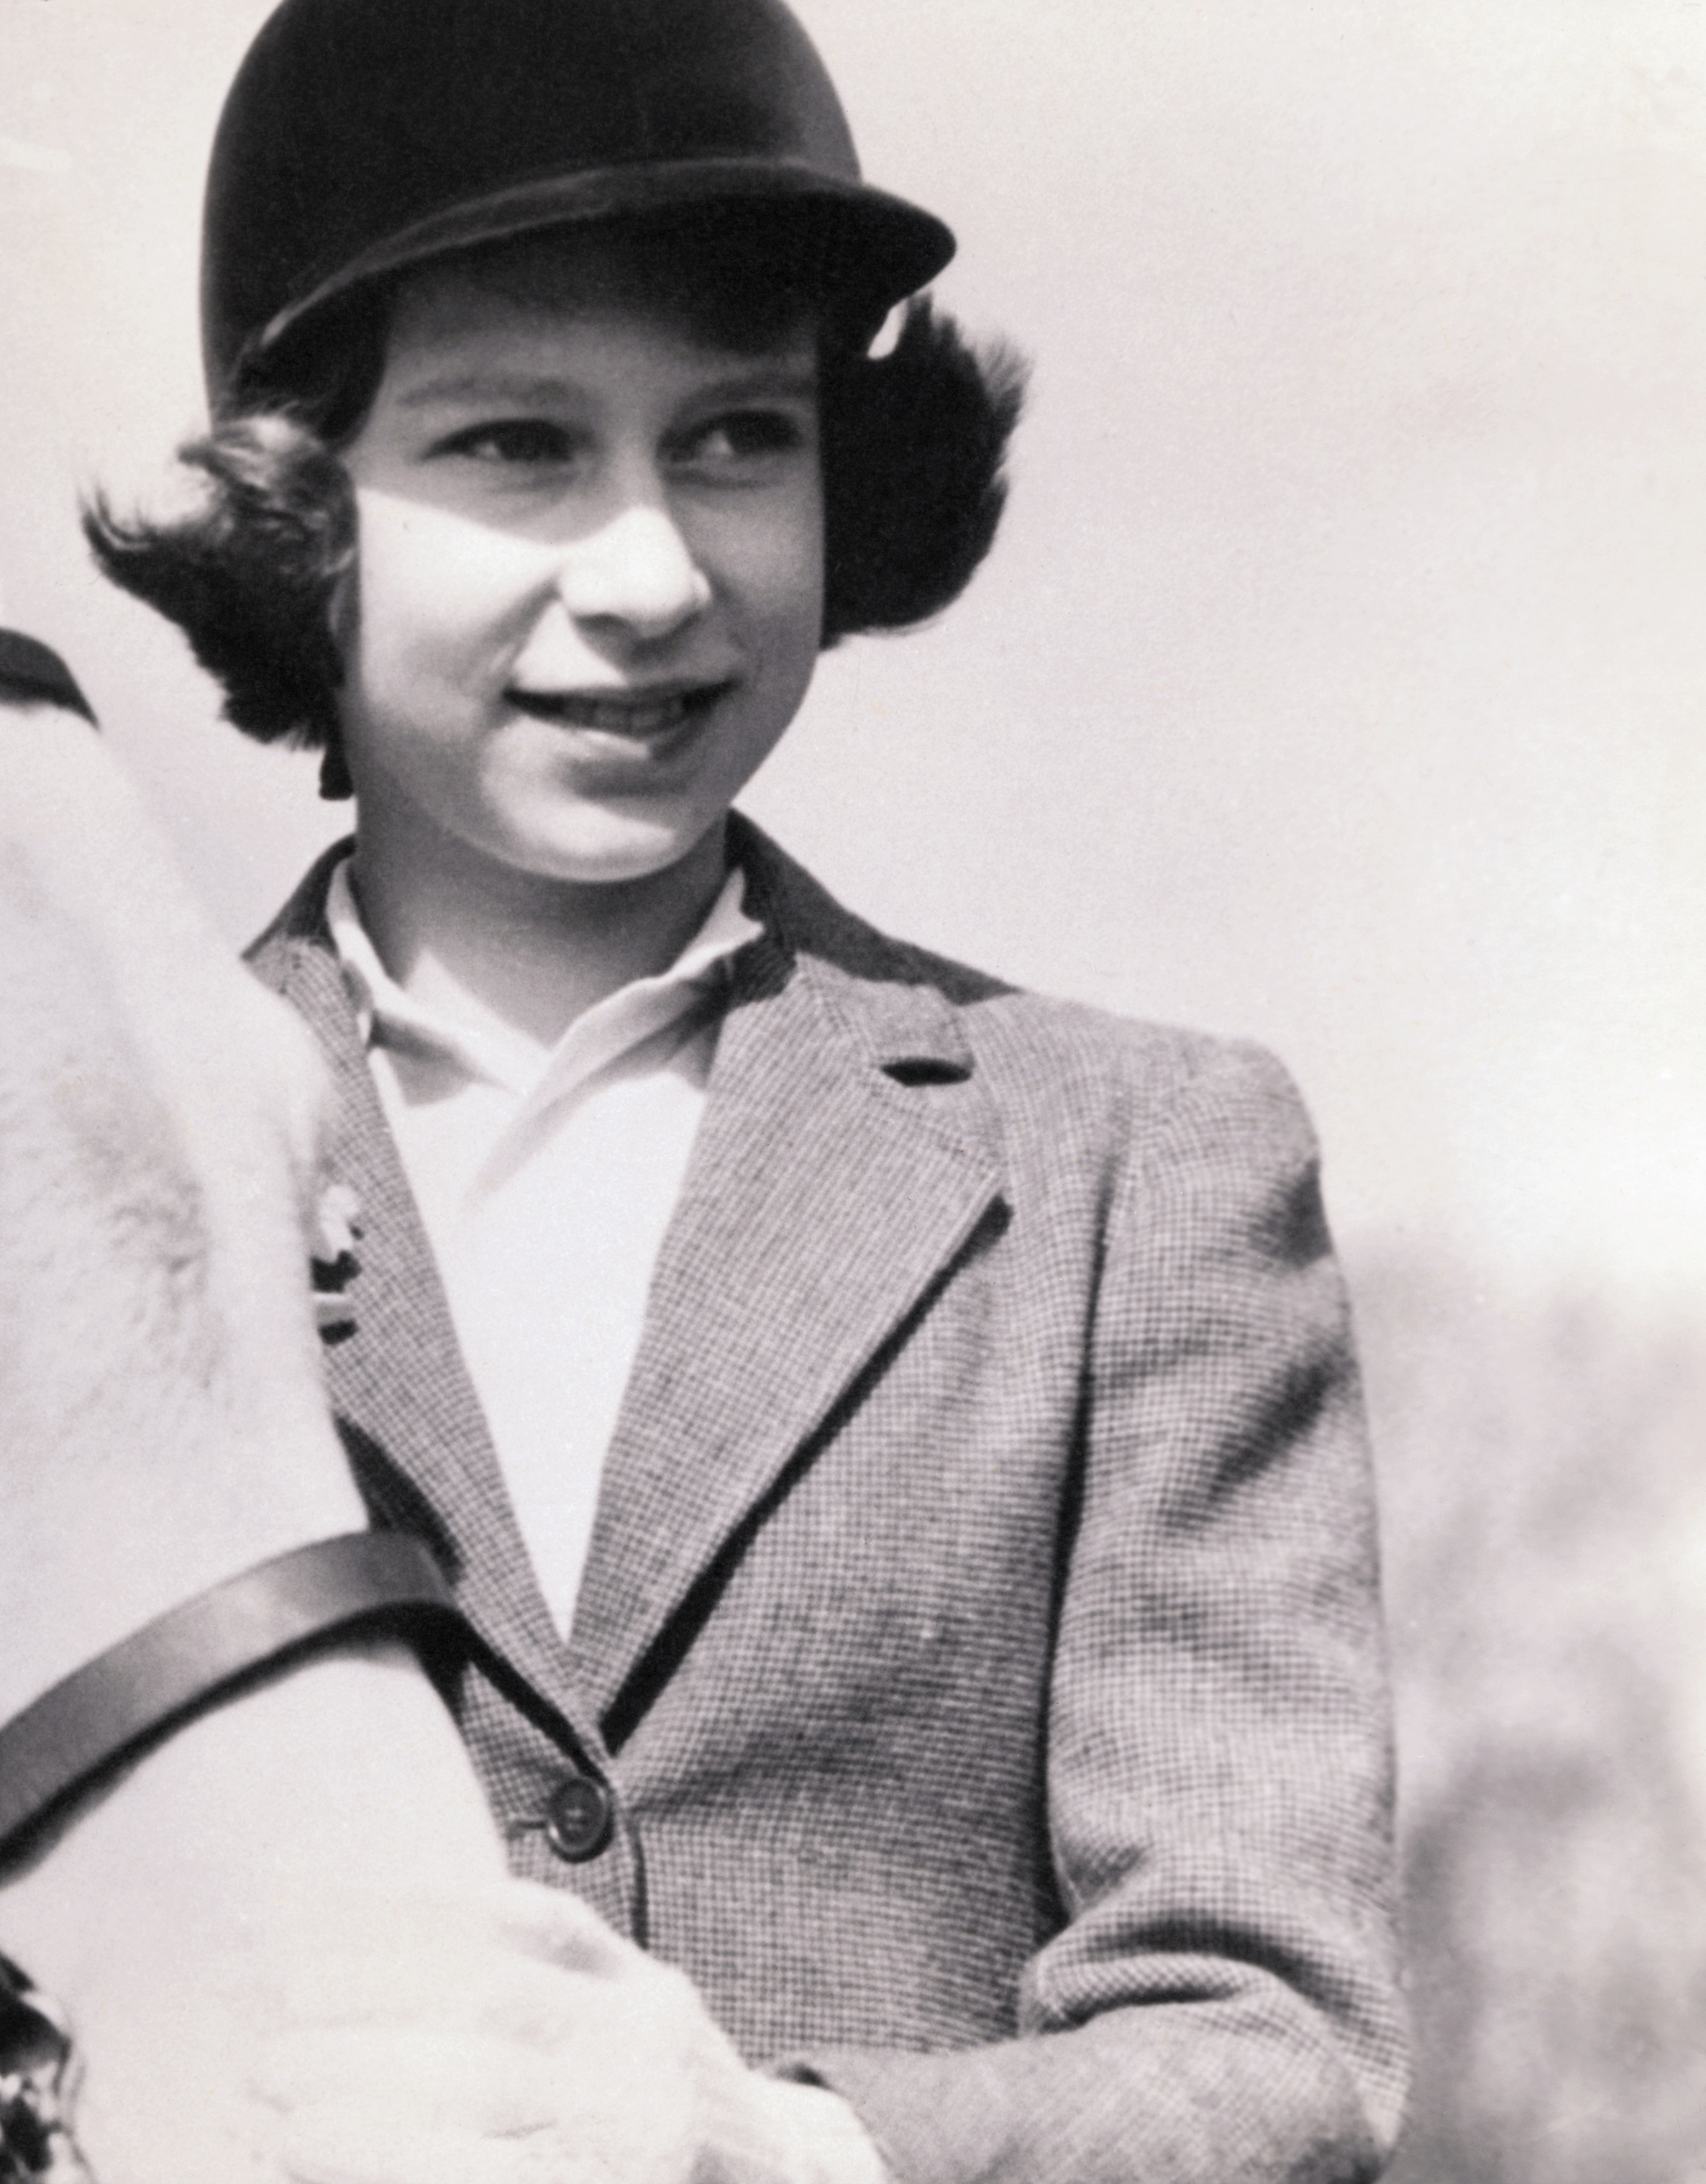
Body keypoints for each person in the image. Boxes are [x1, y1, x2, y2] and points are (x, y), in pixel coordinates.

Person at [86, 1, 1407, 2179]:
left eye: (734, 440)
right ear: (297, 512)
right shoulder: (71, 1174)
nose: (655, 573)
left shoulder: (1139, 1166)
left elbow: (1276, 2045)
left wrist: (768, 2148)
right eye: (517, 446)